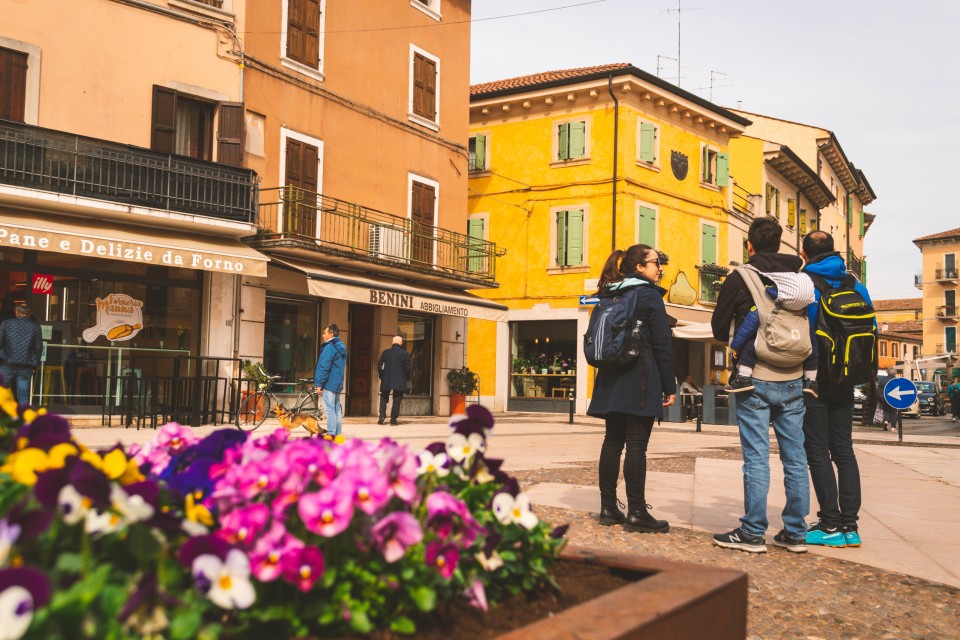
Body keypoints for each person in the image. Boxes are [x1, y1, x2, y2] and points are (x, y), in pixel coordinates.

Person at [710, 216, 809, 554]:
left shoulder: (741, 278)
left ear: (749, 245)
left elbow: (718, 327)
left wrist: (739, 339)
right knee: (795, 457)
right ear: (780, 245)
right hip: (795, 378)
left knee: (756, 457)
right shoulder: (799, 278)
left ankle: (753, 532)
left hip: (755, 380)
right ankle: (795, 532)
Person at [587, 244, 676, 534]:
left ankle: (608, 508)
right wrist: (669, 384)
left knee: (612, 442)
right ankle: (637, 512)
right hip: (640, 378)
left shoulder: (610, 292)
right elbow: (662, 344)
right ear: (639, 267)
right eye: (655, 263)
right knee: (637, 445)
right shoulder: (648, 296)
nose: (659, 267)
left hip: (610, 377)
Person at [800, 230, 875, 549]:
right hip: (847, 378)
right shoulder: (856, 285)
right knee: (844, 450)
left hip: (816, 379)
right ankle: (850, 526)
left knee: (817, 451)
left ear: (805, 255)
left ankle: (829, 524)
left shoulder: (805, 283)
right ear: (834, 253)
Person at [724, 273, 819, 398]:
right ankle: (810, 381)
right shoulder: (804, 317)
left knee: (749, 344)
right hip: (797, 360)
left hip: (766, 360)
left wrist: (736, 347)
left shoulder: (764, 308)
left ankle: (744, 378)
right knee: (813, 350)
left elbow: (746, 329)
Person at [0, 303, 44, 405]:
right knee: (23, 397)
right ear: (29, 314)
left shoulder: (6, 323)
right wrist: (34, 364)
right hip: (26, 365)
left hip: (6, 364)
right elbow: (38, 347)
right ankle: (23, 419)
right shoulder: (35, 326)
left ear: (16, 312)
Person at [314, 324, 347, 436]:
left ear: (331, 334)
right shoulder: (341, 346)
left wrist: (319, 384)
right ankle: (337, 434)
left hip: (329, 383)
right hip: (337, 383)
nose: (323, 335)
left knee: (330, 410)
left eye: (325, 333)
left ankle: (331, 434)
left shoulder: (329, 347)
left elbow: (324, 367)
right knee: (336, 409)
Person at [377, 336, 412, 425]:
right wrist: (407, 378)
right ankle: (393, 420)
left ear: (392, 342)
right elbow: (408, 368)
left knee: (384, 396)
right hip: (400, 380)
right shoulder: (405, 354)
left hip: (386, 378)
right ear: (401, 343)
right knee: (397, 399)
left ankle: (382, 416)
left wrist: (382, 376)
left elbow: (380, 366)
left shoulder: (385, 353)